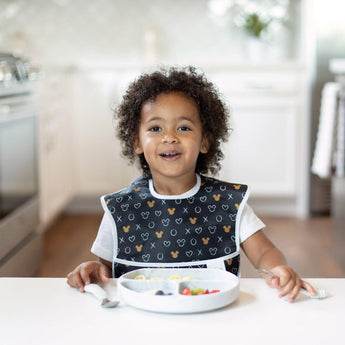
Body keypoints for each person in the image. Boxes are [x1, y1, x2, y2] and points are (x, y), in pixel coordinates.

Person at [67, 66, 315, 302]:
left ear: (205, 141)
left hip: (214, 318)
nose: (169, 137)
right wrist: (91, 269)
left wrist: (279, 269)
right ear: (137, 142)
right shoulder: (120, 208)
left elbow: (263, 252)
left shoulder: (228, 202)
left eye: (183, 127)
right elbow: (106, 268)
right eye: (155, 128)